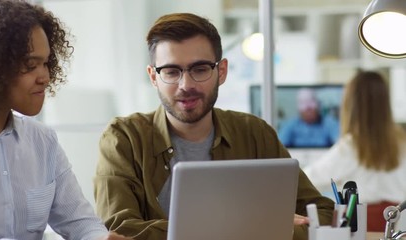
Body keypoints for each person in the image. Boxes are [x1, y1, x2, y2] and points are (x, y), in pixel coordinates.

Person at [94, 12, 334, 240]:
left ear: (221, 71)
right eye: (171, 71)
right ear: (153, 77)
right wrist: (252, 228)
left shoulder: (255, 133)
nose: (186, 84)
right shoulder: (124, 139)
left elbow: (321, 212)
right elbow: (120, 231)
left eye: (200, 69)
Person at [0, 1, 132, 239]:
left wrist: (100, 237)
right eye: (31, 65)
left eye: (46, 63)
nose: (45, 77)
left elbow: (79, 220)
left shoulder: (43, 141)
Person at [304, 70, 406, 231]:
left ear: (350, 104)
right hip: (397, 226)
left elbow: (308, 180)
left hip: (361, 228)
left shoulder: (351, 146)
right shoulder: (402, 141)